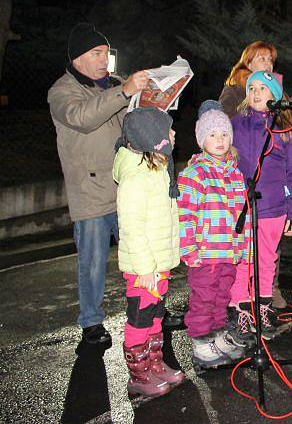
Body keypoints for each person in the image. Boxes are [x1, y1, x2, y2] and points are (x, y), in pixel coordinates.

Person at [48, 23, 149, 346]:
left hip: (127, 187)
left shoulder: (116, 85)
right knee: (92, 262)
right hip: (90, 192)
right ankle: (91, 322)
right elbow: (82, 117)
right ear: (78, 58)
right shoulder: (62, 91)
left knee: (141, 256)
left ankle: (150, 307)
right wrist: (123, 93)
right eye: (97, 53)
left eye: (107, 52)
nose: (105, 59)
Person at [178, 102, 253, 368]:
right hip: (205, 253)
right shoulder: (193, 174)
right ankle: (201, 343)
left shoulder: (235, 174)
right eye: (212, 135)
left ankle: (218, 336)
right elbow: (184, 216)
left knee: (222, 296)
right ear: (201, 140)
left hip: (228, 252)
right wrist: (188, 249)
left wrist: (245, 247)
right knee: (204, 299)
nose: (219, 140)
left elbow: (242, 216)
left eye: (224, 135)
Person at [113, 107, 182, 397]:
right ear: (152, 137)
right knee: (140, 320)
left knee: (155, 317)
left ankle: (155, 363)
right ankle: (138, 374)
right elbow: (132, 228)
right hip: (145, 270)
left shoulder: (158, 170)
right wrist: (145, 270)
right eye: (168, 129)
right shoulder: (136, 178)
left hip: (158, 265)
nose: (174, 133)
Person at [230, 71, 292, 335]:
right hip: (243, 206)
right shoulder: (236, 124)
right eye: (252, 88)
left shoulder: (286, 130)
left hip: (273, 207)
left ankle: (263, 306)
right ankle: (241, 309)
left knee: (266, 260)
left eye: (263, 88)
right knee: (243, 260)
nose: (256, 93)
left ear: (275, 95)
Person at [219, 41, 281, 119]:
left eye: (270, 60)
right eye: (262, 59)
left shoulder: (276, 91)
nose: (268, 64)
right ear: (249, 65)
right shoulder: (234, 90)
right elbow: (222, 119)